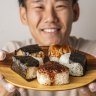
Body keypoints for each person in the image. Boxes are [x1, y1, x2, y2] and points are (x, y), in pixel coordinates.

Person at [0, 0, 96, 96]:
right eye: (39, 7)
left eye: (60, 6)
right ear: (24, 15)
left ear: (75, 12)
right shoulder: (8, 56)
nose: (50, 18)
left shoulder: (93, 54)